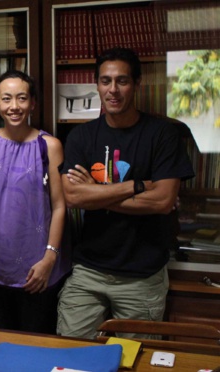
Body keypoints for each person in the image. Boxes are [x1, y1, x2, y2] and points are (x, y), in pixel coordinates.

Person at [57, 47, 195, 339]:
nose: (113, 90)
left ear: (137, 84)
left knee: (136, 362)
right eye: (106, 81)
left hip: (142, 276)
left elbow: (162, 201)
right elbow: (73, 197)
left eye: (122, 81)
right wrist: (137, 185)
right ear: (97, 85)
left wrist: (97, 192)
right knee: (70, 355)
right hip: (88, 271)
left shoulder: (163, 134)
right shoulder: (80, 136)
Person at [0, 70, 70, 334]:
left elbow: (60, 206)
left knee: (34, 347)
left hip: (35, 269)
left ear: (32, 103)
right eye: (6, 99)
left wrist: (50, 258)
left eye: (22, 98)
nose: (14, 106)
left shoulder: (49, 146)